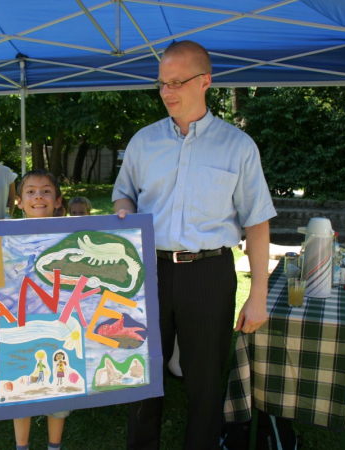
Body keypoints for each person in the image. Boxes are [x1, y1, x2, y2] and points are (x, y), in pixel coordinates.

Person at [113, 40, 276, 450]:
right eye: (162, 84)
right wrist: (123, 209)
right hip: (148, 270)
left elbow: (257, 223)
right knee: (141, 374)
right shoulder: (143, 142)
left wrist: (258, 296)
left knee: (205, 382)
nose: (167, 92)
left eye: (176, 82)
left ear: (205, 81)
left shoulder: (238, 147)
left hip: (209, 272)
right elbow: (123, 193)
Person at [13, 169, 68, 450]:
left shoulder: (71, 236)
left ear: (57, 200)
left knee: (59, 392)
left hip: (59, 323)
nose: (38, 196)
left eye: (46, 191)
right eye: (31, 191)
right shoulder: (3, 236)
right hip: (18, 325)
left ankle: (53, 446)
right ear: (19, 201)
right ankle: (21, 446)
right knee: (21, 386)